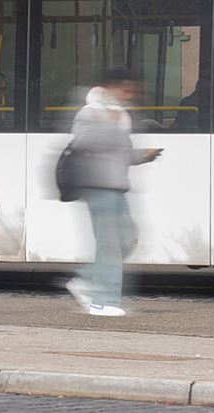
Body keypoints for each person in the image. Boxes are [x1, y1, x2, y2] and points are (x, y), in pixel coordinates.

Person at [65, 68, 162, 317]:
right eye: (126, 90)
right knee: (109, 245)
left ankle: (87, 281)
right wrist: (108, 122)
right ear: (111, 87)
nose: (130, 95)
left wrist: (144, 155)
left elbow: (122, 153)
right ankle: (102, 301)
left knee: (128, 240)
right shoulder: (91, 113)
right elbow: (83, 144)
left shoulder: (121, 116)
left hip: (117, 188)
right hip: (96, 187)